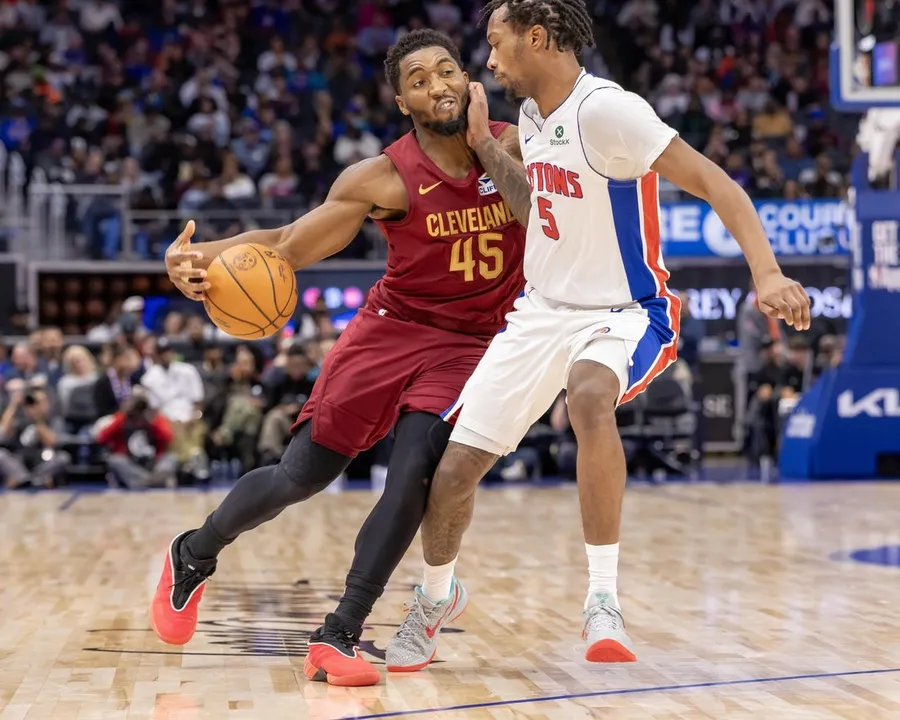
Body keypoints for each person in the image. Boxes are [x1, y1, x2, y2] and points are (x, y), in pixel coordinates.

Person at [385, 0, 812, 671]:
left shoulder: (610, 111)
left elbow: (716, 182)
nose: (487, 61)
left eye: (495, 44)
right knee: (455, 469)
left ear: (535, 38)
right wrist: (485, 145)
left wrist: (767, 272)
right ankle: (437, 598)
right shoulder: (531, 116)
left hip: (624, 308)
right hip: (541, 311)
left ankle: (603, 600)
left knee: (588, 397)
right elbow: (533, 210)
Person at [149, 29, 527, 687]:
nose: (436, 86)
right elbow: (285, 244)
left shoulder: (518, 145)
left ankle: (338, 635)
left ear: (468, 79)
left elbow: (552, 212)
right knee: (299, 477)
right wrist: (189, 258)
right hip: (388, 334)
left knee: (413, 474)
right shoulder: (382, 177)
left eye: (445, 71)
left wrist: (487, 145)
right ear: (402, 102)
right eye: (418, 81)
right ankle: (195, 551)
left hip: (468, 345)